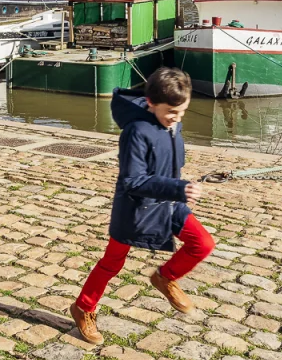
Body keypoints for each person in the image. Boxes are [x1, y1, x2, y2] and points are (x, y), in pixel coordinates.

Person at [70, 67, 215, 345]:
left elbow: (171, 162)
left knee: (203, 244)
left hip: (169, 204)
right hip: (136, 208)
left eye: (182, 112)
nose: (176, 119)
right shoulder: (135, 132)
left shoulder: (173, 122)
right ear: (150, 103)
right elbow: (133, 180)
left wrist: (181, 187)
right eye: (172, 112)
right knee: (112, 262)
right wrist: (178, 188)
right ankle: (83, 308)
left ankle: (165, 278)